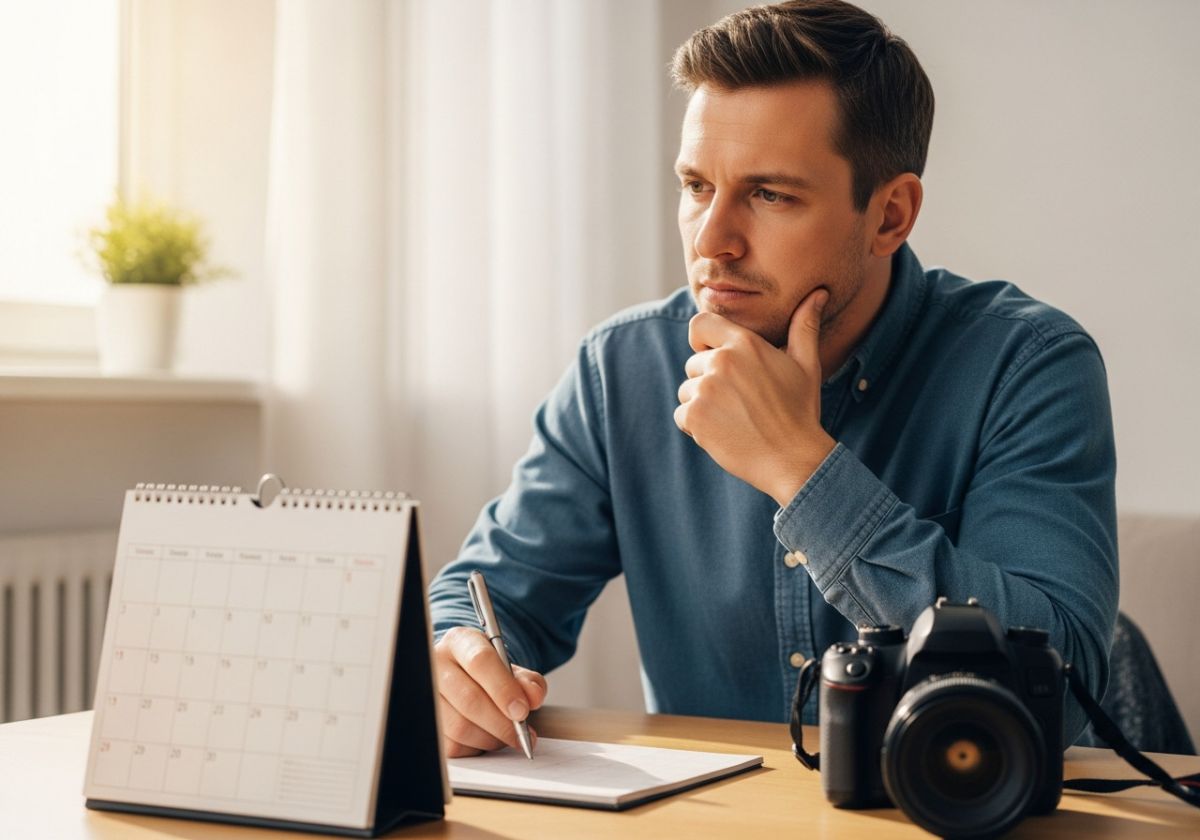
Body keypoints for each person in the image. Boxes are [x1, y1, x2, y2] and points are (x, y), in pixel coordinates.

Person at [427, 0, 1117, 758]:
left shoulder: (1026, 365)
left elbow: (1064, 691)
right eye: (696, 186)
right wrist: (456, 658)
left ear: (890, 215)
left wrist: (802, 467)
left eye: (770, 195)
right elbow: (488, 596)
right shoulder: (621, 370)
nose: (713, 241)